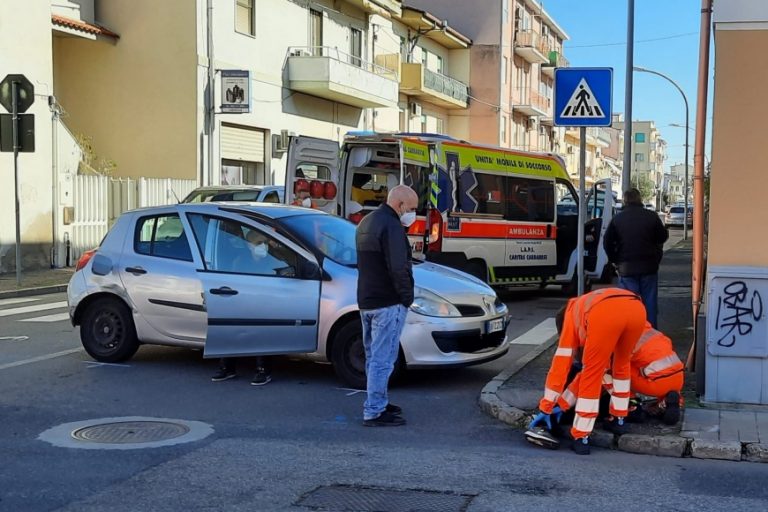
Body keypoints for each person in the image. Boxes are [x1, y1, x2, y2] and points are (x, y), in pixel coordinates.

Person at [529, 288, 646, 455]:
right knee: (621, 365)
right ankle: (619, 419)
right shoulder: (584, 305)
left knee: (592, 373)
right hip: (637, 308)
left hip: (606, 313)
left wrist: (546, 406)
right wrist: (561, 405)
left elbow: (561, 366)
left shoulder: (571, 317)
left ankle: (581, 437)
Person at [355, 185, 418, 427]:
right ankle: (374, 411)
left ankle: (378, 400)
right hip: (388, 302)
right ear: (400, 205)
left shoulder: (366, 222)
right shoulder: (392, 226)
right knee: (384, 359)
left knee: (373, 357)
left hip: (367, 300)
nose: (412, 213)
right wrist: (407, 298)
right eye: (411, 208)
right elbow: (398, 267)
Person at [211, 229, 279, 386]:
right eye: (258, 243)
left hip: (265, 304)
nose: (263, 246)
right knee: (229, 325)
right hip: (243, 302)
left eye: (264, 242)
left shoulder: (272, 261)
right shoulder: (240, 261)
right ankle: (226, 367)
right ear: (249, 246)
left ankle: (263, 369)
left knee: (260, 325)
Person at [603, 187, 669, 328]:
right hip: (649, 267)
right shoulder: (651, 216)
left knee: (630, 304)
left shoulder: (617, 219)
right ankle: (650, 336)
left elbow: (607, 242)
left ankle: (632, 335)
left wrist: (615, 260)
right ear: (640, 199)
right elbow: (663, 237)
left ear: (625, 201)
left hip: (626, 268)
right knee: (650, 304)